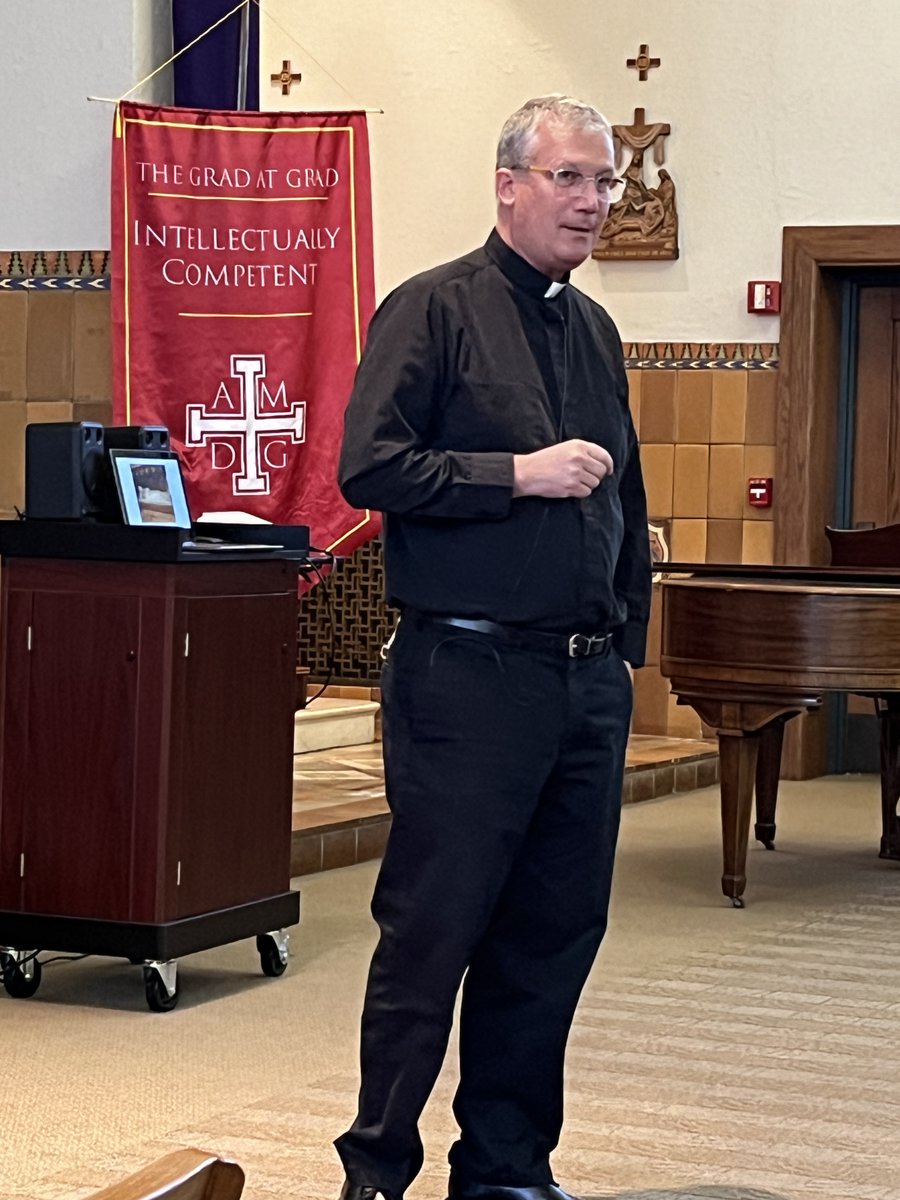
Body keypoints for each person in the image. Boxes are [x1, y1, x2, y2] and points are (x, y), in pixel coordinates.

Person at [335, 94, 652, 1200]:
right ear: (509, 183)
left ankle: (508, 1168)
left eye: (605, 182)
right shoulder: (430, 310)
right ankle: (376, 1168)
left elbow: (624, 490)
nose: (593, 202)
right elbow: (368, 471)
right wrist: (511, 474)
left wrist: (623, 646)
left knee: (552, 935)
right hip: (465, 678)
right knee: (434, 934)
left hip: (581, 682)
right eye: (571, 177)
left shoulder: (598, 328)